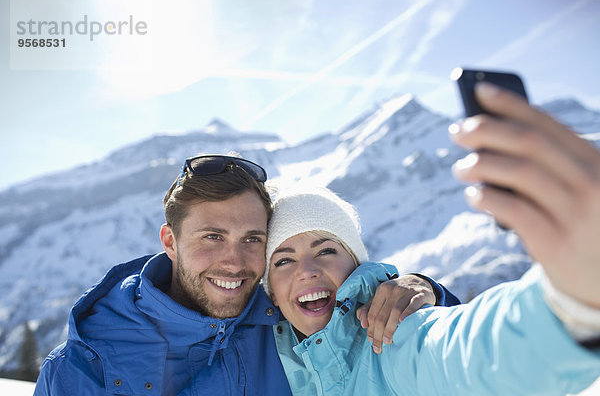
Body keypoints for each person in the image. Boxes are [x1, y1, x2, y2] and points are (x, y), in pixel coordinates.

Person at [263, 83, 600, 395]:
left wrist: (570, 305)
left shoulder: (394, 339)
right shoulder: (268, 365)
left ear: (356, 263)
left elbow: (477, 355)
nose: (306, 270)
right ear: (271, 294)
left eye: (325, 251)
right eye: (283, 260)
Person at [34, 154, 458, 395]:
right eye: (213, 237)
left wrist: (426, 290)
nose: (235, 263)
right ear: (170, 241)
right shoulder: (82, 369)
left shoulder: (289, 323)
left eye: (253, 239)